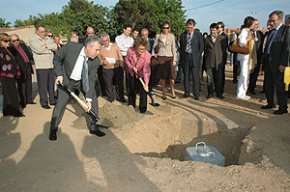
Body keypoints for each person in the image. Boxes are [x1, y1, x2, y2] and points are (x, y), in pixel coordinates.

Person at [49, 35, 105, 141]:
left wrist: (88, 99)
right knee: (60, 104)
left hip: (82, 82)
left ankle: (93, 127)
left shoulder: (96, 61)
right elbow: (57, 59)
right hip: (66, 80)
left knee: (93, 100)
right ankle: (53, 129)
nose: (98, 53)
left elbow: (91, 80)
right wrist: (59, 74)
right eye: (96, 50)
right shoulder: (70, 48)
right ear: (88, 46)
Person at [261, 10, 290, 114]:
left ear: (280, 20)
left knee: (280, 87)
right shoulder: (271, 32)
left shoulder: (286, 30)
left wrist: (283, 63)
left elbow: (287, 47)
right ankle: (270, 103)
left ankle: (283, 108)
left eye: (273, 21)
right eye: (270, 20)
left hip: (279, 64)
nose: (271, 23)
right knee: (268, 84)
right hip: (268, 61)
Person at [29, 25, 57, 109]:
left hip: (50, 65)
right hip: (41, 66)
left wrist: (46, 46)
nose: (44, 33)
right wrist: (49, 50)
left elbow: (55, 47)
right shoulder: (33, 39)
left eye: (44, 31)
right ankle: (44, 102)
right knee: (43, 86)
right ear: (36, 32)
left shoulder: (48, 38)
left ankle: (52, 100)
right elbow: (38, 50)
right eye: (42, 32)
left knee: (51, 85)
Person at [0, 33, 24, 117]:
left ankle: (7, 111)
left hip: (10, 75)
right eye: (5, 41)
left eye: (9, 41)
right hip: (5, 75)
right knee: (10, 93)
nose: (8, 43)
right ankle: (15, 111)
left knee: (8, 93)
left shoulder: (8, 49)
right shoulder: (1, 51)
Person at [179, 19, 204, 100]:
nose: (189, 29)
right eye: (188, 27)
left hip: (195, 58)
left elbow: (201, 46)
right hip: (186, 58)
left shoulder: (198, 35)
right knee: (186, 76)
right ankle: (186, 92)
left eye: (191, 27)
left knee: (195, 77)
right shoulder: (182, 35)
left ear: (194, 26)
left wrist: (198, 56)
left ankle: (196, 94)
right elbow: (182, 47)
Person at [125, 38, 151, 113]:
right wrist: (132, 67)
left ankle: (142, 109)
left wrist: (146, 83)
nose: (142, 51)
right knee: (132, 89)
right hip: (132, 72)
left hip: (142, 74)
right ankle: (131, 106)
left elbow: (146, 70)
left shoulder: (147, 56)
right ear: (136, 46)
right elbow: (126, 60)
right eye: (140, 49)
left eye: (143, 49)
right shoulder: (130, 50)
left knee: (143, 91)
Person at [9, 34, 35, 108]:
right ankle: (23, 102)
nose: (16, 42)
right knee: (21, 86)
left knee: (28, 84)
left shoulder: (22, 45)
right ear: (11, 42)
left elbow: (29, 55)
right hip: (20, 68)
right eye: (14, 41)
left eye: (17, 40)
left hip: (28, 66)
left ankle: (29, 99)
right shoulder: (11, 49)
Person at [152, 21, 177, 99]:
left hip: (170, 57)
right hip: (161, 57)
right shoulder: (158, 36)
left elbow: (174, 48)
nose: (165, 29)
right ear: (162, 28)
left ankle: (173, 91)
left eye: (167, 27)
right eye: (164, 27)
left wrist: (174, 59)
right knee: (162, 76)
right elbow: (154, 47)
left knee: (171, 76)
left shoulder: (172, 36)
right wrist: (154, 56)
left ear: (169, 28)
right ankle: (164, 92)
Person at [99, 33, 126, 102]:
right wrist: (103, 62)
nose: (106, 42)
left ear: (109, 39)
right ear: (102, 42)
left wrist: (121, 65)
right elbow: (99, 61)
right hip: (107, 69)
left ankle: (121, 97)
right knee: (108, 84)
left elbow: (120, 56)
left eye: (107, 40)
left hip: (117, 68)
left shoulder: (115, 46)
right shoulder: (100, 49)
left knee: (119, 83)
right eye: (104, 41)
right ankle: (111, 98)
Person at [236, 16, 257, 100]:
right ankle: (241, 94)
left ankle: (243, 92)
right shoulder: (244, 31)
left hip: (248, 57)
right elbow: (241, 43)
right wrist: (248, 39)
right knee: (244, 75)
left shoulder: (248, 31)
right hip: (244, 56)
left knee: (246, 75)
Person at [204, 23, 226, 99]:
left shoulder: (222, 39)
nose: (212, 32)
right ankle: (210, 93)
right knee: (209, 79)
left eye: (213, 30)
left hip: (218, 63)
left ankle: (219, 93)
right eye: (211, 30)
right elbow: (205, 51)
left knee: (218, 79)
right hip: (209, 62)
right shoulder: (207, 39)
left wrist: (223, 62)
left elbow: (224, 51)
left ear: (217, 30)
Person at [248, 19, 265, 95]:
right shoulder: (247, 33)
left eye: (257, 24)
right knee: (247, 74)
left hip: (257, 57)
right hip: (248, 57)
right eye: (255, 24)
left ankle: (252, 88)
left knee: (255, 74)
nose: (256, 26)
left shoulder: (260, 34)